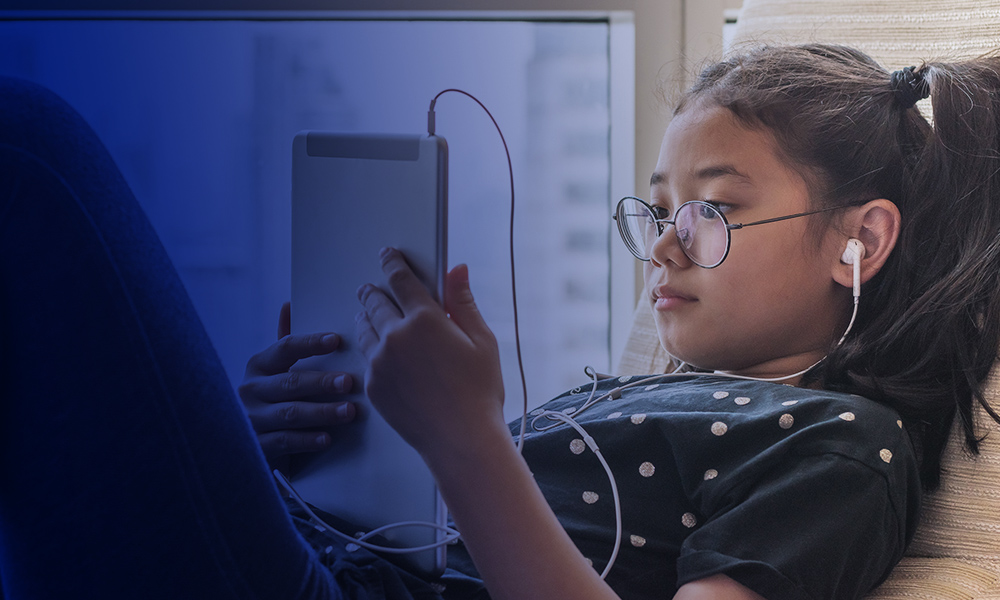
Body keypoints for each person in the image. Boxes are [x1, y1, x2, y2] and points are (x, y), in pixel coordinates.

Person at [2, 42, 999, 600]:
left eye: (712, 208)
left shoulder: (842, 449)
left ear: (856, 241)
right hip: (321, 553)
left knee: (33, 152)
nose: (661, 241)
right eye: (655, 209)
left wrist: (466, 438)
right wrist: (265, 444)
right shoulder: (640, 394)